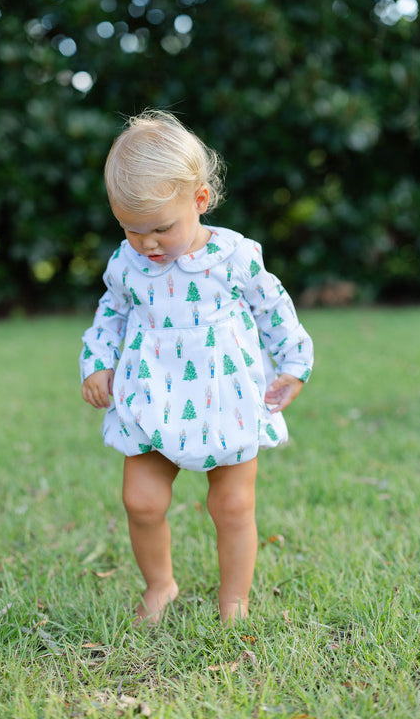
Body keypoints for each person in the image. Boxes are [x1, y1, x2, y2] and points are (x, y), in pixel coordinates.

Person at [80, 110, 314, 625]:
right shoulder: (127, 263)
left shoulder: (234, 257)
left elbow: (273, 308)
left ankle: (235, 598)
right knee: (140, 500)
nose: (148, 244)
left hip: (226, 397)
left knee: (231, 506)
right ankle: (160, 585)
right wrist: (97, 363)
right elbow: (110, 313)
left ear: (200, 201)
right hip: (149, 396)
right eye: (132, 229)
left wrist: (293, 366)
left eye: (161, 228)